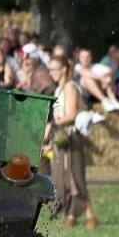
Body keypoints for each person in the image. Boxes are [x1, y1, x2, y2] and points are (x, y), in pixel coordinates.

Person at [48, 56, 95, 227]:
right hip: (61, 136)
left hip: (70, 135)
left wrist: (52, 124)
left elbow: (71, 114)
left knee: (75, 176)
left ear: (63, 69)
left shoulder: (69, 87)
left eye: (54, 69)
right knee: (66, 176)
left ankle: (84, 214)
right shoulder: (58, 89)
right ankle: (76, 214)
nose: (51, 72)